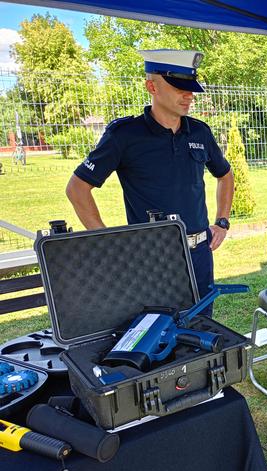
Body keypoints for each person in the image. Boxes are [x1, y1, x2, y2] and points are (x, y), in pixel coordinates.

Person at [66, 50, 234, 316]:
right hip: (152, 256)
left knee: (203, 329)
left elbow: (225, 175)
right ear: (151, 86)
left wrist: (222, 221)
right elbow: (77, 188)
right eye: (180, 87)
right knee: (157, 336)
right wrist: (108, 240)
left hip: (200, 254)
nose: (189, 95)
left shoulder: (200, 132)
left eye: (191, 88)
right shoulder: (125, 135)